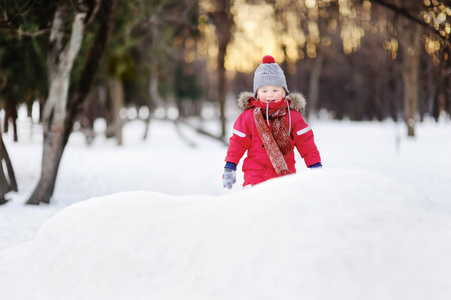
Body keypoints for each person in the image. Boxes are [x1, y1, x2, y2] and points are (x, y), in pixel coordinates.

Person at [223, 55, 322, 189]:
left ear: (283, 91)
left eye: (275, 90)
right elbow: (238, 143)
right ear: (256, 93)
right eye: (264, 90)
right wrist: (230, 166)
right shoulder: (248, 117)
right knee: (256, 204)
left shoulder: (293, 116)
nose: (270, 95)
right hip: (255, 174)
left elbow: (306, 142)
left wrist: (315, 166)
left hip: (284, 175)